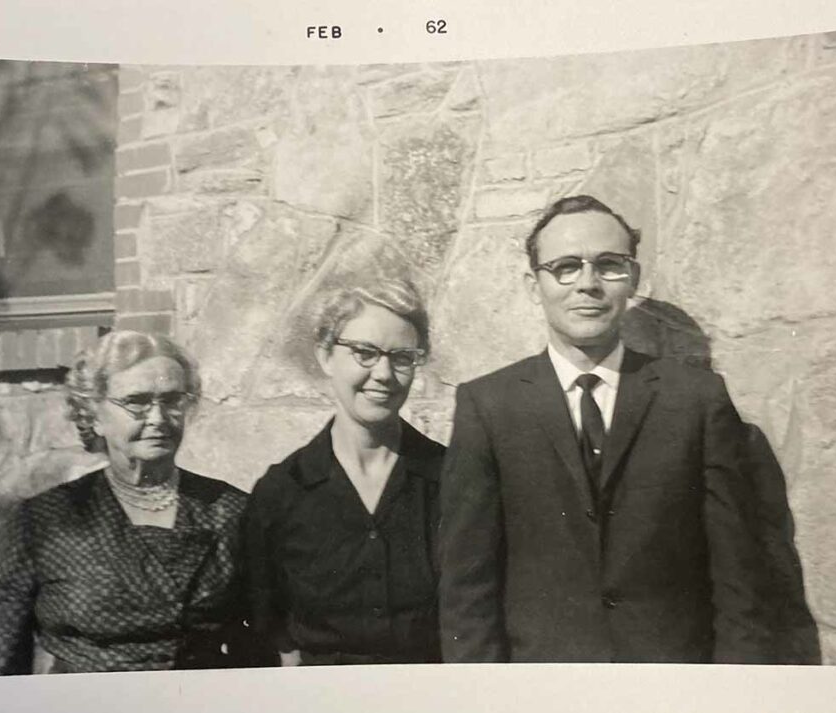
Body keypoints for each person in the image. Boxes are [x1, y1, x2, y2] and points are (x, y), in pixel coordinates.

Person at [438, 194, 778, 664]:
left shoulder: (696, 399)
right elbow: (466, 587)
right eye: (565, 267)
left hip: (670, 686)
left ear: (632, 278)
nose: (588, 284)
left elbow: (740, 580)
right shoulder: (488, 405)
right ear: (532, 286)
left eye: (609, 265)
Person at [0, 330, 272, 675]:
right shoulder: (42, 521)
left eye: (173, 400)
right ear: (93, 414)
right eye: (137, 401)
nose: (158, 418)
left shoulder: (230, 511)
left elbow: (260, 650)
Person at [244, 278, 444, 666]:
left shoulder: (452, 478)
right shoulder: (282, 491)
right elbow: (264, 623)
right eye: (364, 353)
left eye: (402, 356)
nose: (384, 374)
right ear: (325, 355)